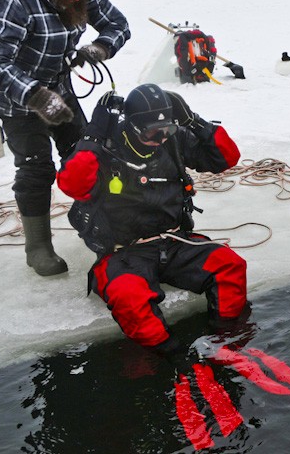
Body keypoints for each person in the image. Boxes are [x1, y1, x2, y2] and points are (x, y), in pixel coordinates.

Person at [56, 84, 247, 369]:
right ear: (132, 127)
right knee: (128, 298)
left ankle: (225, 341)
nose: (160, 139)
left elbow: (227, 158)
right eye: (151, 133)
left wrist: (194, 122)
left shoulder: (173, 140)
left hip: (173, 240)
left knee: (229, 265)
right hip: (124, 251)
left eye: (166, 131)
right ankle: (173, 356)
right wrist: (92, 137)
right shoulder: (106, 149)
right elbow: (73, 185)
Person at [0, 0, 130, 276]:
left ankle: (101, 226)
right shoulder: (14, 0)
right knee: (37, 167)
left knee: (87, 155)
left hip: (60, 87)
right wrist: (36, 96)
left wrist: (100, 48)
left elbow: (119, 25)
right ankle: (39, 248)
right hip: (18, 97)